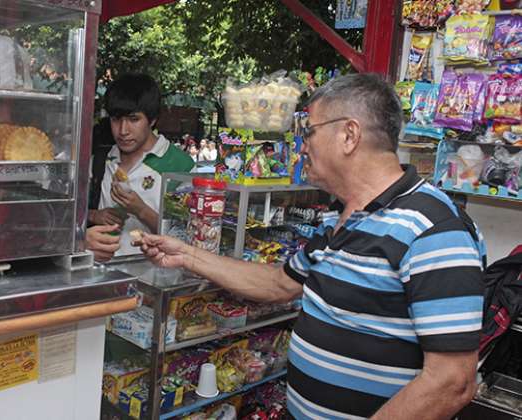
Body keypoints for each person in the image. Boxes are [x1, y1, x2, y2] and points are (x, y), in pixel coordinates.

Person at [137, 74, 485, 419]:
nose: (302, 145)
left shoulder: (434, 228)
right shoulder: (338, 215)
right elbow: (280, 284)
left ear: (349, 135)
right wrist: (187, 254)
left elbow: (451, 382)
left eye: (310, 131)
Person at [87, 73, 194, 258]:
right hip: (103, 276)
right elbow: (68, 214)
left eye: (134, 119)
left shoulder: (181, 167)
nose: (123, 131)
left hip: (154, 279)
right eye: (116, 119)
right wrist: (93, 216)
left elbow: (186, 238)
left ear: (152, 120)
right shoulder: (99, 161)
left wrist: (141, 210)